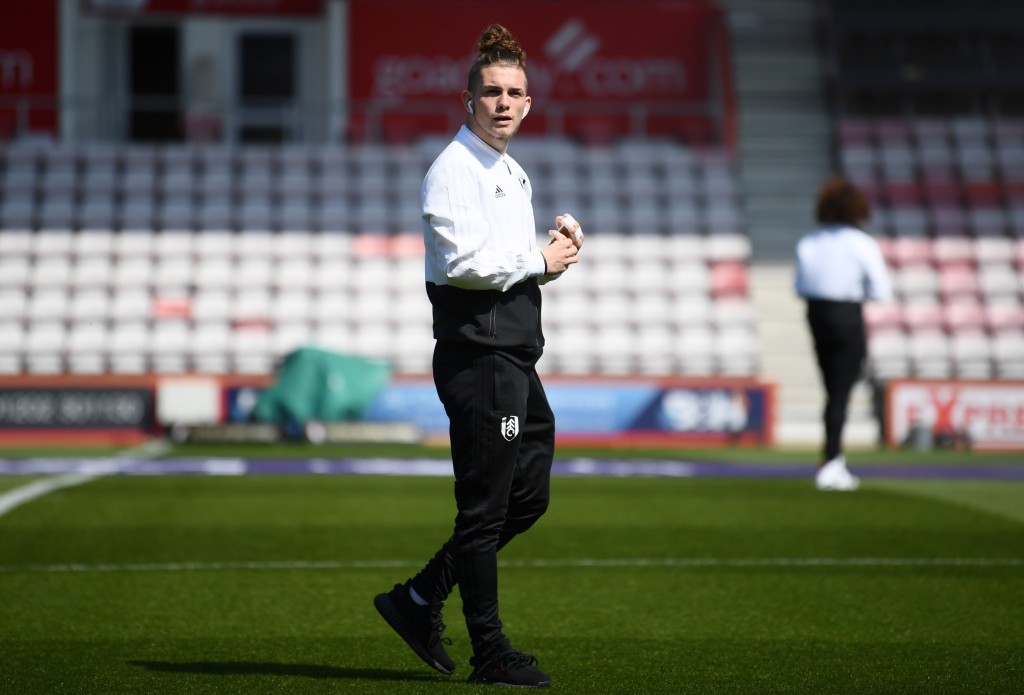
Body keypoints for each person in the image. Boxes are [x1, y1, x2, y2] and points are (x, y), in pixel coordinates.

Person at [374, 23, 582, 688]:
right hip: (481, 355)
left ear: (528, 103)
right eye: (490, 90)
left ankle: (417, 597)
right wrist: (537, 261)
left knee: (529, 494)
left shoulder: (510, 172)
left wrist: (552, 255)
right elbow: (463, 264)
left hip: (514, 355)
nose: (502, 101)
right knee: (485, 508)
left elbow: (507, 266)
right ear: (469, 100)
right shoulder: (452, 170)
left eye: (514, 91)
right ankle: (489, 650)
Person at [795, 176, 892, 491]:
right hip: (846, 314)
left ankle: (831, 459)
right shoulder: (861, 243)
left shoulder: (809, 241)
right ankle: (832, 462)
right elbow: (881, 290)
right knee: (841, 392)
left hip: (816, 313)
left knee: (833, 391)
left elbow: (800, 286)